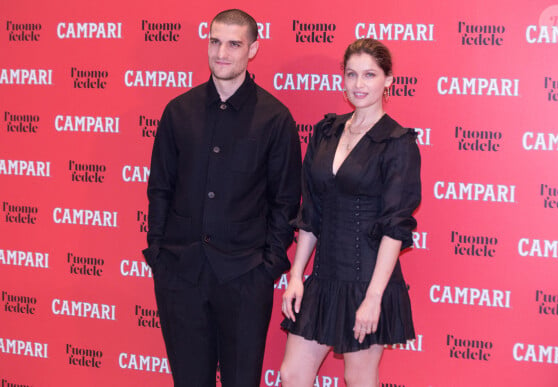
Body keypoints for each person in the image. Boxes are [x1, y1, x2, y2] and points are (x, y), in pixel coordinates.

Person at [143, 9, 302, 387]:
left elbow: (285, 201)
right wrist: (160, 255)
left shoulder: (275, 118)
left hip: (246, 278)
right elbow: (159, 188)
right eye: (215, 41)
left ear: (253, 49)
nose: (222, 53)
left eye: (234, 43)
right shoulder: (178, 112)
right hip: (181, 274)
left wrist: (267, 268)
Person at [280, 38, 421, 386]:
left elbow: (395, 228)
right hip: (325, 276)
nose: (359, 85)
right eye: (352, 74)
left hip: (369, 280)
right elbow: (312, 211)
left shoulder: (397, 142)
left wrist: (373, 299)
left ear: (388, 81)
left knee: (358, 378)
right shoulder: (326, 132)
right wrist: (297, 273)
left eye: (370, 75)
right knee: (292, 373)